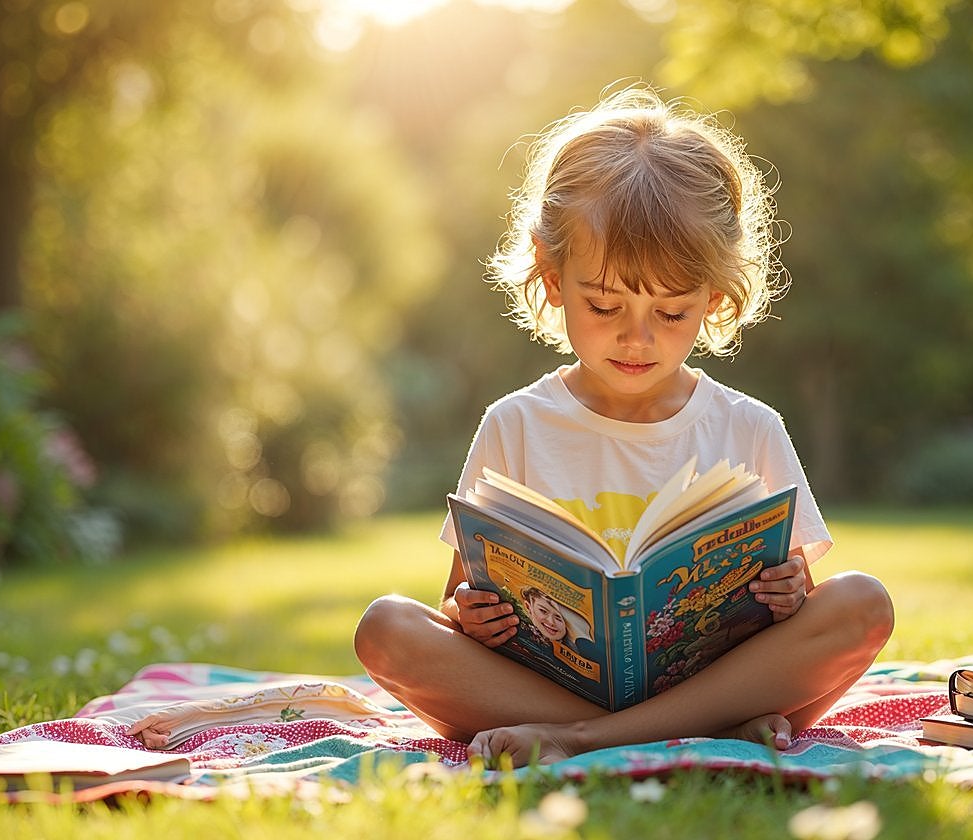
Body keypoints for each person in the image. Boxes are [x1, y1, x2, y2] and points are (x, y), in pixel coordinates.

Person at [352, 84, 894, 768]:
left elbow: (802, 609)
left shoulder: (749, 427)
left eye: (671, 314)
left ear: (716, 297)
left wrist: (786, 593)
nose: (637, 339)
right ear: (552, 276)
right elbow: (459, 604)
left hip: (696, 681)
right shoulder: (514, 425)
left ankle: (582, 741)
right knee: (387, 628)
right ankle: (702, 733)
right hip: (563, 687)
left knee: (862, 605)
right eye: (604, 304)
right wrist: (473, 614)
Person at [520, 586, 593, 652]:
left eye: (558, 618)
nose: (551, 622)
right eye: (543, 611)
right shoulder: (522, 628)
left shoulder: (572, 649)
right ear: (528, 607)